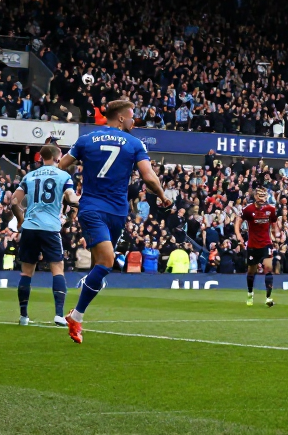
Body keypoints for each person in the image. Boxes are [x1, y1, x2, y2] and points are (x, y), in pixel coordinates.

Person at [57, 99, 171, 343]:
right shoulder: (134, 143)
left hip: (102, 209)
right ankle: (76, 317)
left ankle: (82, 300)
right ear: (121, 118)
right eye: (131, 117)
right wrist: (162, 196)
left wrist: (68, 192)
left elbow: (61, 167)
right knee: (107, 262)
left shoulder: (86, 139)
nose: (133, 121)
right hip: (105, 210)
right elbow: (149, 177)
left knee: (101, 264)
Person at [10, 144, 79, 327]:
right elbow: (71, 199)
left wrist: (20, 219)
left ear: (41, 157)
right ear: (58, 158)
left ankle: (24, 316)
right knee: (57, 268)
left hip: (30, 227)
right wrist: (85, 204)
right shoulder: (64, 176)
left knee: (26, 272)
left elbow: (14, 201)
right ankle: (58, 314)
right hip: (50, 228)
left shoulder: (30, 176)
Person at [238, 186, 279, 307]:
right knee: (251, 272)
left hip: (266, 243)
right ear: (255, 197)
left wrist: (276, 233)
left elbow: (274, 224)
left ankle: (268, 298)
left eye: (264, 196)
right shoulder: (248, 209)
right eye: (260, 196)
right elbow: (238, 222)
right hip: (252, 245)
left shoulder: (271, 209)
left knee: (268, 268)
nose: (263, 198)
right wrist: (239, 236)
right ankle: (250, 294)